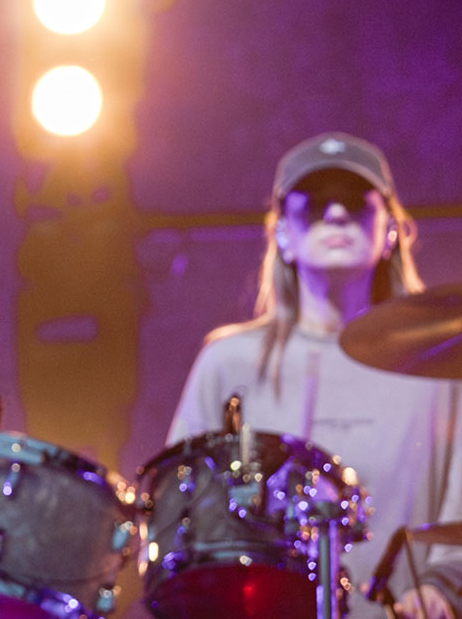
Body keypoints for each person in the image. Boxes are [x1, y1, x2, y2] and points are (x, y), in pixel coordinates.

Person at [168, 132, 462, 618]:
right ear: (282, 234)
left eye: (356, 202)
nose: (337, 214)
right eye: (315, 203)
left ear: (391, 230)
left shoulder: (442, 362)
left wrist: (442, 585)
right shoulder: (228, 361)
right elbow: (181, 513)